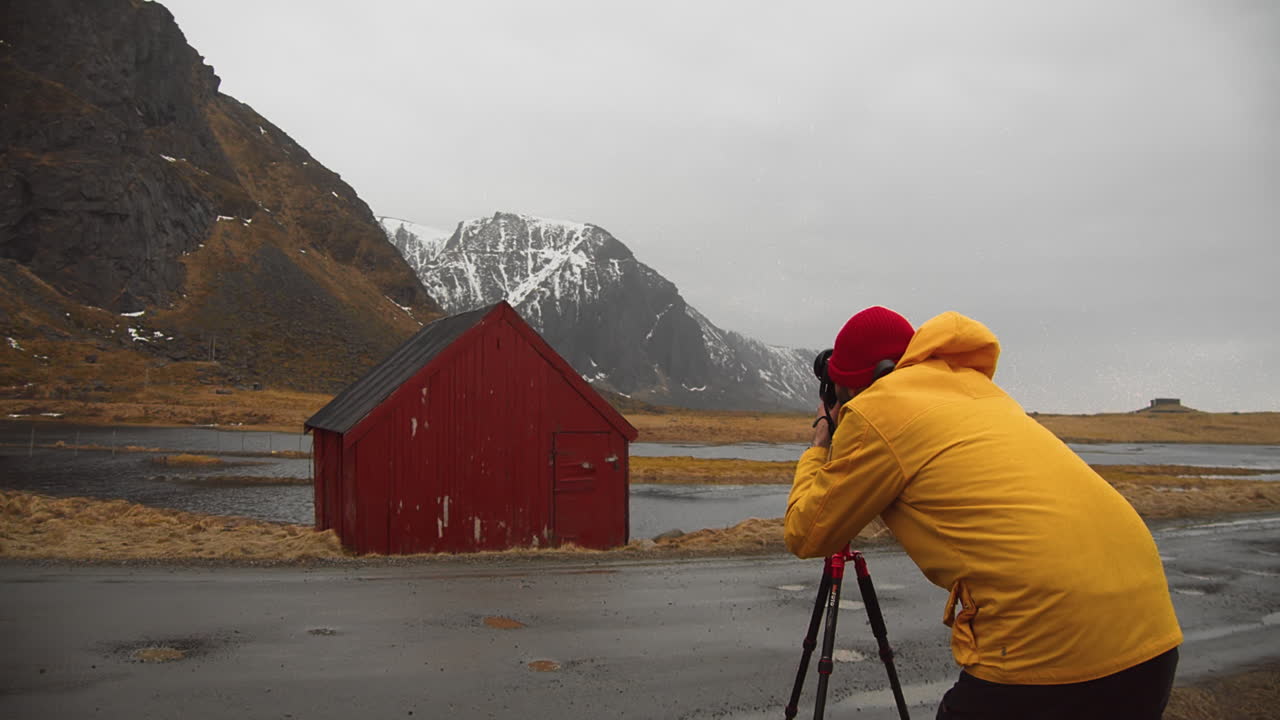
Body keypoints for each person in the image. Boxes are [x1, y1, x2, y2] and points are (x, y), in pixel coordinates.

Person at [785, 306, 1182, 719]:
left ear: (855, 386)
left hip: (1046, 645)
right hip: (1150, 637)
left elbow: (807, 532)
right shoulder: (979, 393)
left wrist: (822, 438)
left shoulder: (877, 412)